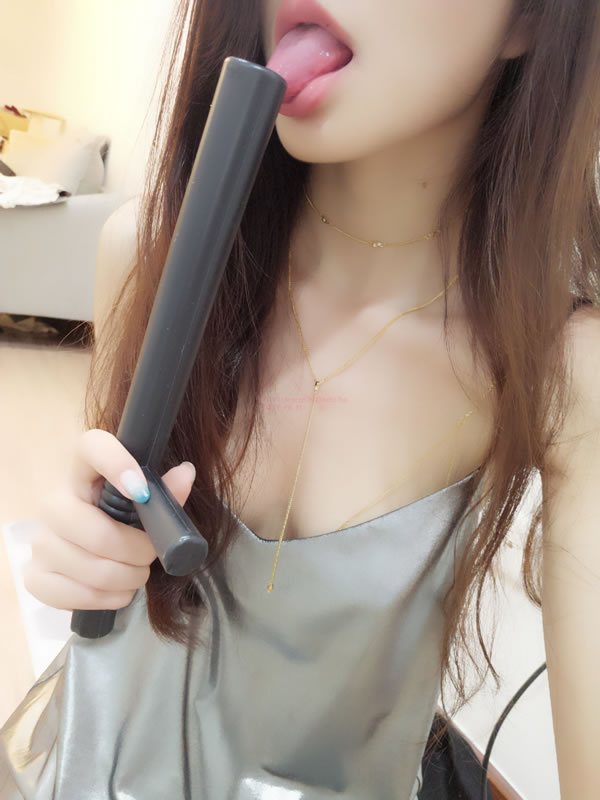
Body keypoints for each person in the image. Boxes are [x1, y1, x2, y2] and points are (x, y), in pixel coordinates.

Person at [2, 0, 600, 798]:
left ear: (530, 20)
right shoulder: (147, 256)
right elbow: (115, 559)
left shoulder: (565, 370)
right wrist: (88, 550)